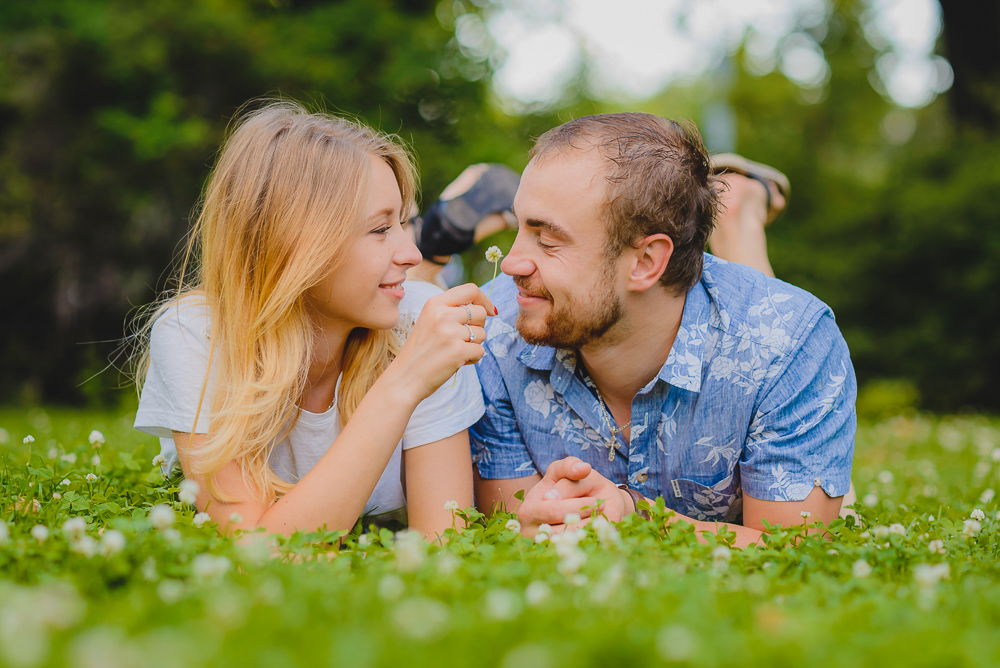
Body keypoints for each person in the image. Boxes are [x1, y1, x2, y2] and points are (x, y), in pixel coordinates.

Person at [469, 113, 857, 548]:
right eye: (519, 227)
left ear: (646, 261)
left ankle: (738, 211)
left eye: (549, 240)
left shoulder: (793, 342)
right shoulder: (493, 329)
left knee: (761, 346)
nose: (513, 263)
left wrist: (630, 518)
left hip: (752, 336)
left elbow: (795, 547)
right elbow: (508, 526)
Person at [133, 101, 495, 539]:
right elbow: (259, 553)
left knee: (418, 287)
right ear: (296, 245)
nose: (408, 251)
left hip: (400, 304)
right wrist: (404, 383)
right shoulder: (196, 336)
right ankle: (442, 231)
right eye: (380, 229)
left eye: (402, 223)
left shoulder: (419, 318)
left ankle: (440, 236)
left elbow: (444, 542)